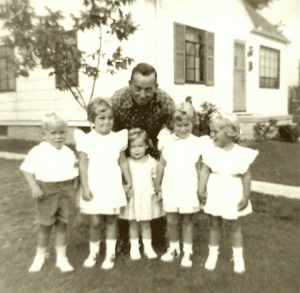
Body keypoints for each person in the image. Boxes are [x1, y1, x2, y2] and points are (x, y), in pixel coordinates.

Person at [111, 62, 175, 252]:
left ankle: (156, 232)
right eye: (137, 88)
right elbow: (110, 135)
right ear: (130, 83)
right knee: (125, 190)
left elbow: (176, 132)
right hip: (126, 150)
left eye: (148, 89)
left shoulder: (165, 101)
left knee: (155, 191)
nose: (142, 94)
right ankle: (124, 235)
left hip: (154, 150)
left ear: (156, 87)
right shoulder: (117, 100)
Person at [75, 98, 132, 270]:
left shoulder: (118, 138)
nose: (107, 122)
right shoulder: (86, 139)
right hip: (94, 184)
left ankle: (110, 252)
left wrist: (128, 180)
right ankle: (93, 252)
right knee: (95, 221)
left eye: (110, 118)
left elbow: (122, 162)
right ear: (92, 120)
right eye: (101, 118)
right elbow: (83, 165)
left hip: (112, 184)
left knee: (112, 220)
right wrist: (85, 187)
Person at [198, 113, 258, 274]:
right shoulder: (210, 150)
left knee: (235, 226)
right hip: (216, 189)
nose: (211, 135)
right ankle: (212, 255)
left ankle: (238, 257)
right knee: (214, 224)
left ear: (229, 132)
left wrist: (246, 196)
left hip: (233, 190)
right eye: (210, 131)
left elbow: (246, 176)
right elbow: (204, 171)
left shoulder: (240, 153)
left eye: (215, 131)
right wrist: (201, 189)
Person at [20, 112, 79, 273]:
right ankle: (40, 255)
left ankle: (62, 257)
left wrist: (73, 190)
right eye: (53, 133)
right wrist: (34, 186)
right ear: (44, 134)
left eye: (62, 132)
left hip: (66, 191)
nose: (58, 137)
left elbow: (75, 174)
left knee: (62, 225)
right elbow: (27, 170)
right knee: (45, 226)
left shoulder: (69, 152)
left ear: (66, 132)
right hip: (47, 191)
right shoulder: (39, 151)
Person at [155, 102, 210, 268]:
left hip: (188, 186)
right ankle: (173, 248)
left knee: (187, 220)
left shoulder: (197, 142)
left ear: (193, 123)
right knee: (171, 220)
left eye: (187, 125)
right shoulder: (167, 141)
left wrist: (202, 188)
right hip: (170, 185)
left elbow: (200, 168)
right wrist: (157, 184)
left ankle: (187, 250)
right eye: (179, 125)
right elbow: (161, 165)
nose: (183, 129)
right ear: (172, 125)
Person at [119, 128, 164, 260]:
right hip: (133, 198)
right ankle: (134, 247)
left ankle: (148, 247)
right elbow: (123, 180)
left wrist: (159, 190)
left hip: (146, 197)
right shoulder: (127, 162)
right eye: (133, 147)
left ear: (146, 145)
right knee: (133, 223)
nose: (137, 150)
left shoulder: (152, 162)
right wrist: (125, 188)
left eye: (140, 146)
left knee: (145, 223)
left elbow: (156, 180)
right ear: (129, 148)